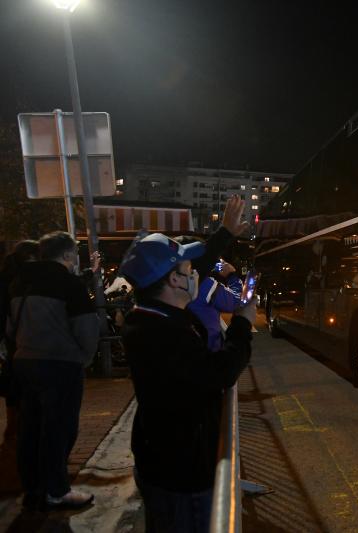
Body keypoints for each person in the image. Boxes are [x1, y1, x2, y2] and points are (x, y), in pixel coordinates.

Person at [120, 197, 253, 532]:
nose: (195, 274)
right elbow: (220, 371)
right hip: (182, 475)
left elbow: (200, 263)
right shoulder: (162, 332)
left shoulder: (153, 315)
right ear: (175, 282)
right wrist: (241, 325)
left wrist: (225, 233)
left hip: (166, 461)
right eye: (187, 271)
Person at [6, 232, 99, 510]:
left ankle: (33, 488)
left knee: (30, 429)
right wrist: (82, 358)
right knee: (58, 429)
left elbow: (11, 328)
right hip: (60, 365)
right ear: (69, 255)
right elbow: (86, 329)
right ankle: (57, 490)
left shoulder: (20, 283)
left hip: (24, 363)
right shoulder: (69, 284)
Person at [0, 240, 39, 442]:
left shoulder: (6, 279)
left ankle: (12, 428)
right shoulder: (24, 282)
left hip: (10, 341)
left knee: (13, 384)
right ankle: (21, 430)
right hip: (23, 339)